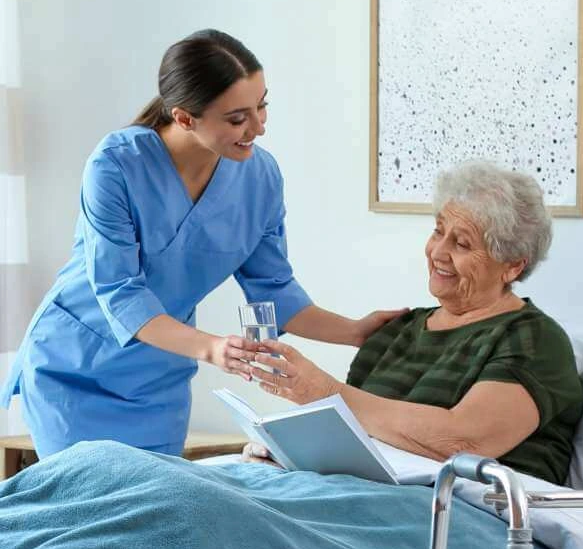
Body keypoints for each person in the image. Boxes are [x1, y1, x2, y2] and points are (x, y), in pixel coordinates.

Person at [0, 30, 401, 458]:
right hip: (74, 370)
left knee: (156, 515)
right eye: (238, 118)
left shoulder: (260, 178)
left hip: (158, 380)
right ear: (185, 117)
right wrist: (212, 348)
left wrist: (355, 332)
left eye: (262, 106)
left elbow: (276, 291)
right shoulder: (116, 165)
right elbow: (121, 293)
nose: (259, 127)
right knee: (87, 509)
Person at [245, 161, 583, 487]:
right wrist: (288, 454)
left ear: (512, 266)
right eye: (438, 231)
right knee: (207, 489)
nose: (438, 252)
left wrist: (323, 391)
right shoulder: (397, 331)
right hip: (366, 499)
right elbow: (354, 443)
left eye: (462, 243)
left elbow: (462, 440)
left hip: (464, 515)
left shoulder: (533, 339)